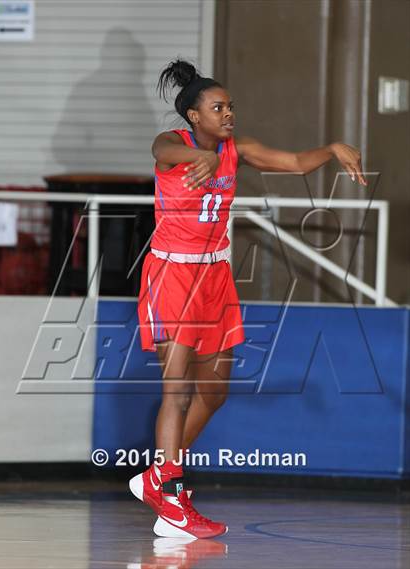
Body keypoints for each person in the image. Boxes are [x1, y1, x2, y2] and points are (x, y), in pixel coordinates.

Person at [129, 58, 367, 539]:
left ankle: (157, 477)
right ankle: (171, 491)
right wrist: (201, 158)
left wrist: (331, 148)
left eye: (231, 105)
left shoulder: (239, 148)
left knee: (214, 391)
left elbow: (296, 163)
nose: (228, 113)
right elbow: (162, 147)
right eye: (218, 107)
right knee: (176, 390)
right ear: (194, 116)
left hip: (215, 277)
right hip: (172, 274)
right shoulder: (173, 145)